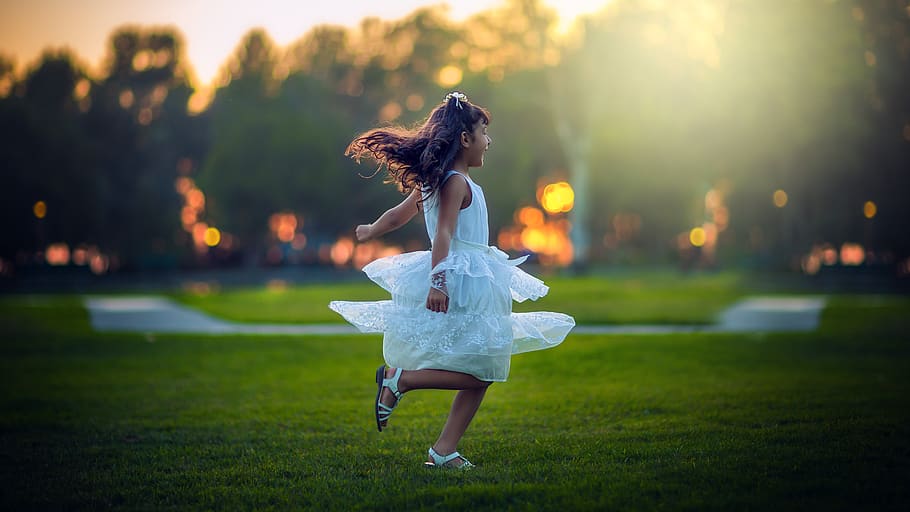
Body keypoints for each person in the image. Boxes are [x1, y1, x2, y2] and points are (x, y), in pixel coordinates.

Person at [329, 92, 574, 469]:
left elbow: (398, 215)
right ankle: (401, 381)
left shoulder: (443, 181)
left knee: (486, 367)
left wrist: (371, 229)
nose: (488, 141)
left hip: (478, 274)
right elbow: (443, 234)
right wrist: (438, 281)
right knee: (484, 366)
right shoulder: (454, 182)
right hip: (462, 276)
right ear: (464, 138)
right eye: (483, 133)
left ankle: (442, 449)